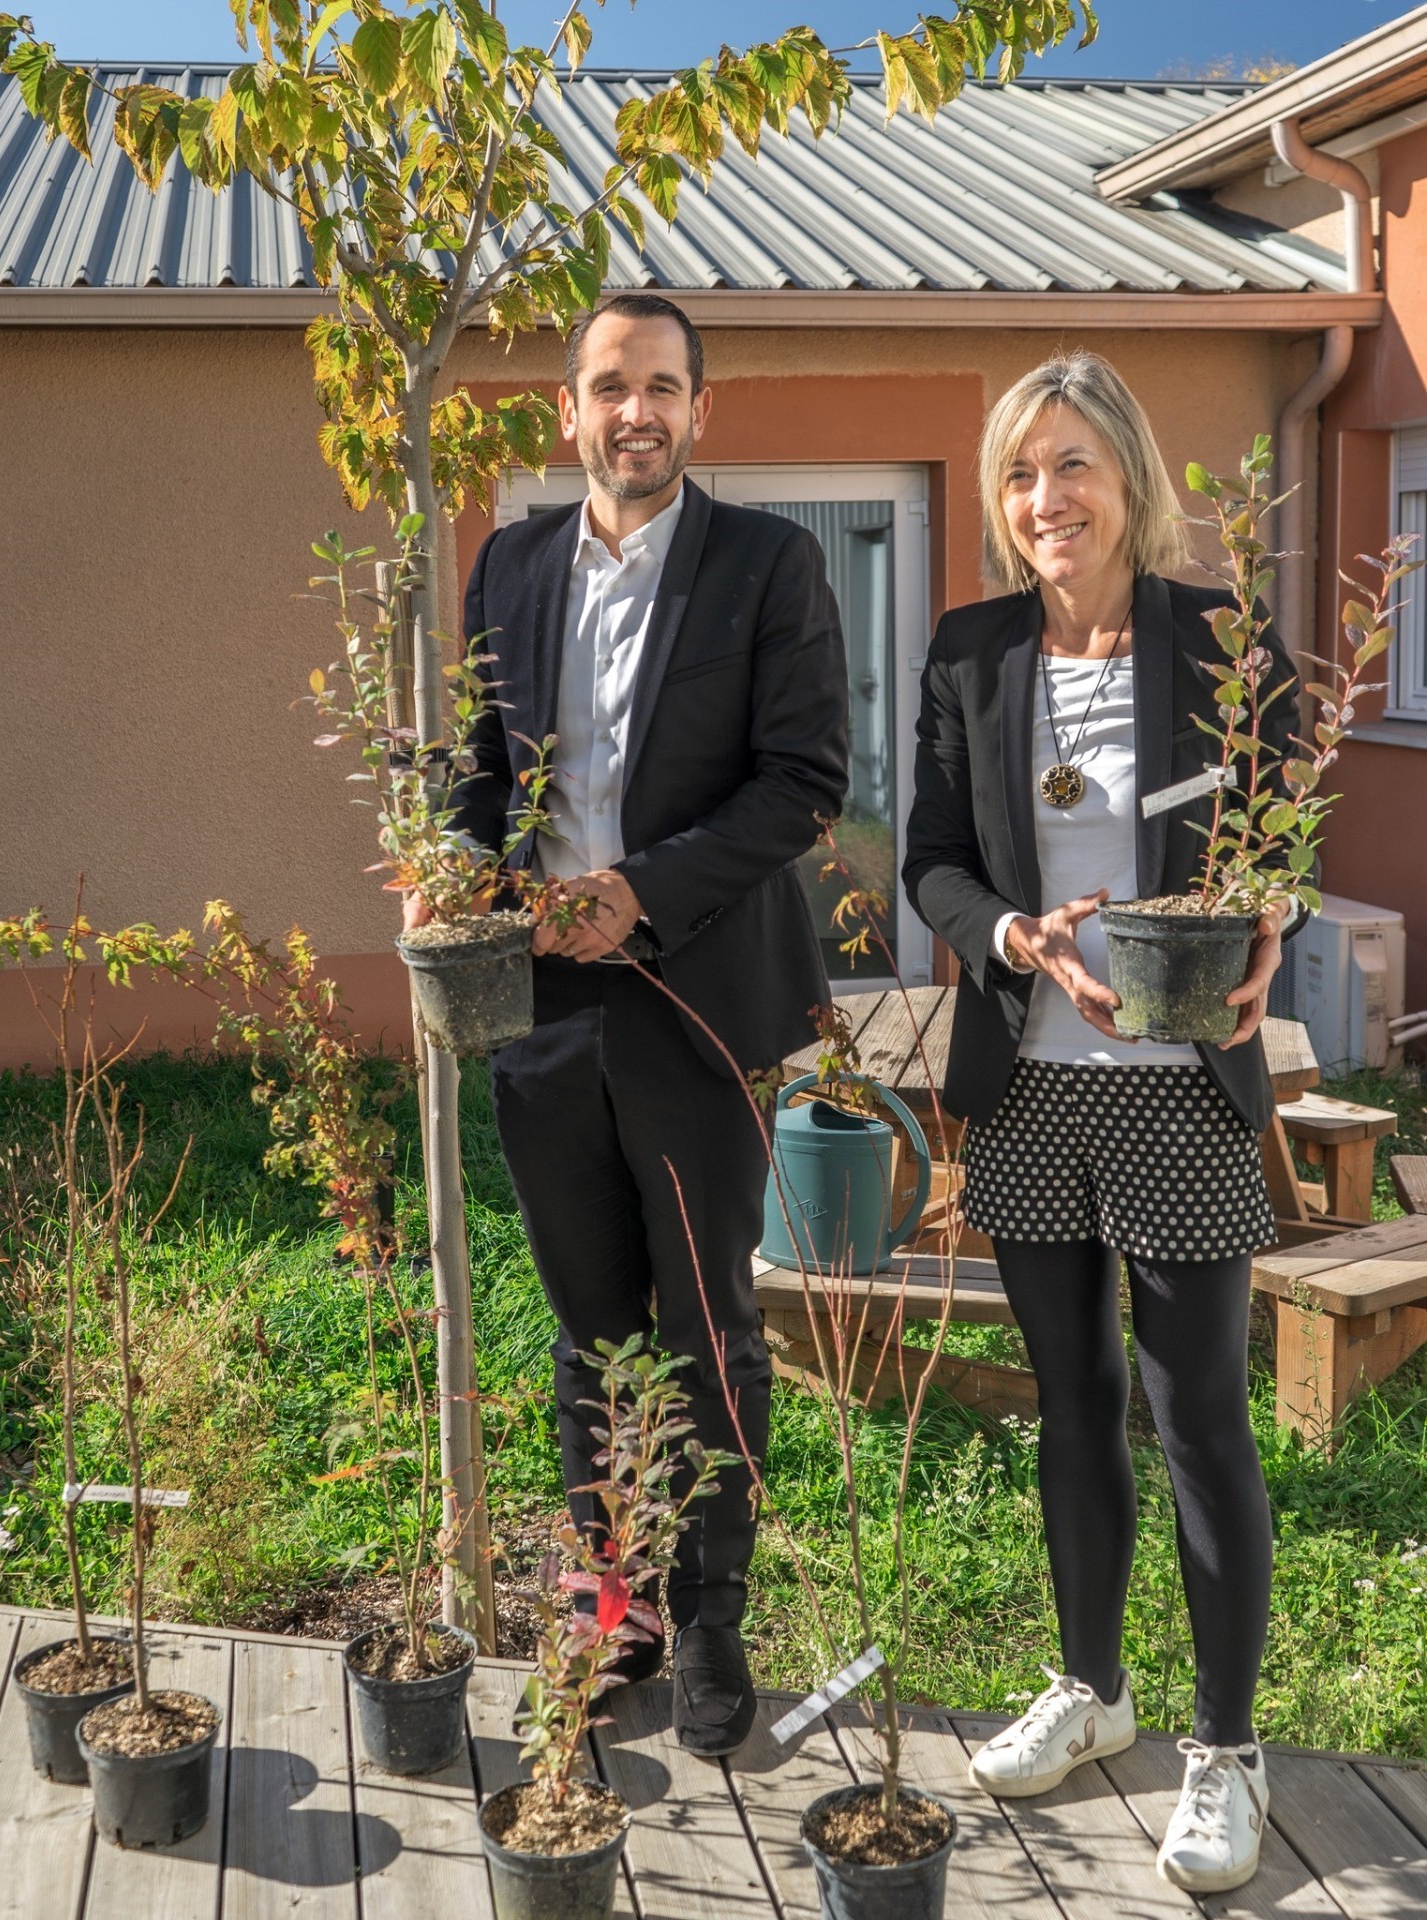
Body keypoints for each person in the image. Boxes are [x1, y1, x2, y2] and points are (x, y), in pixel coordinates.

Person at [417, 292, 849, 1755]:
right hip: (541, 1009)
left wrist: (639, 894)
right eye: (610, 386)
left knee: (711, 1326)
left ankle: (714, 1614)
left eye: (662, 386)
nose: (636, 412)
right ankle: (621, 1614)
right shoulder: (514, 566)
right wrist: (453, 867)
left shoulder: (770, 565)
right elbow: (481, 770)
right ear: (570, 410)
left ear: (698, 411)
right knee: (591, 1323)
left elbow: (803, 782)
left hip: (697, 995)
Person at [903, 350, 1296, 1895]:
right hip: (1030, 1083)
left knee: (1197, 1417)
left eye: (1070, 463)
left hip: (1179, 1093)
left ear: (1127, 474)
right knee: (1070, 1407)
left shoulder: (1219, 643)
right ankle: (1093, 1686)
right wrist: (1010, 937)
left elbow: (1274, 839)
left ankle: (1224, 1751)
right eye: (1018, 472)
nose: (1043, 497)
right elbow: (934, 855)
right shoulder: (971, 651)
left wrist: (1265, 934)